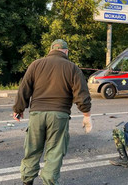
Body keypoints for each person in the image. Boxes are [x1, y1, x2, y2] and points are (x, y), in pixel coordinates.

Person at [12, 39, 92, 185]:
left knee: (32, 150)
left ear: (50, 50)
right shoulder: (72, 68)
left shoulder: (35, 64)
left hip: (36, 115)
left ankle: (27, 181)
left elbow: (24, 88)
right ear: (66, 51)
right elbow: (82, 94)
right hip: (59, 115)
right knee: (54, 152)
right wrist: (86, 114)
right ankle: (48, 182)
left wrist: (18, 109)